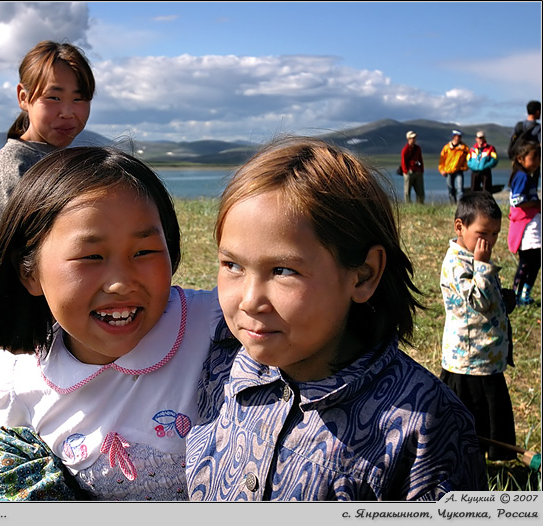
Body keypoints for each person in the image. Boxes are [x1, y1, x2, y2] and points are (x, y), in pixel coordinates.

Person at [185, 136, 488, 501]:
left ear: (363, 275)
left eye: (283, 270)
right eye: (232, 265)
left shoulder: (426, 426)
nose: (249, 301)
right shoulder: (219, 362)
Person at [0, 146, 223, 501]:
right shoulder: (19, 377)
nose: (121, 282)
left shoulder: (213, 325)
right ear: (29, 272)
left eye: (143, 252)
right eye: (91, 257)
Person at [0, 40, 96, 277]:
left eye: (79, 99)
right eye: (54, 98)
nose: (68, 112)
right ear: (23, 97)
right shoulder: (13, 164)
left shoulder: (72, 161)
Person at [439, 191, 516, 461]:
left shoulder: (474, 257)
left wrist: (504, 298)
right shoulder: (455, 263)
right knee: (470, 415)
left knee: (490, 410)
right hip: (468, 361)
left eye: (495, 234)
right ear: (460, 227)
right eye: (484, 233)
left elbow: (488, 299)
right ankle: (467, 458)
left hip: (487, 358)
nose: (490, 241)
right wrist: (483, 266)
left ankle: (487, 455)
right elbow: (478, 300)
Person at [507, 140, 542, 306]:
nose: (537, 161)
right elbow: (518, 201)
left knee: (533, 261)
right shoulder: (522, 177)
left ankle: (522, 295)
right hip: (526, 227)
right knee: (529, 261)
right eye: (534, 157)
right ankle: (518, 296)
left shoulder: (525, 176)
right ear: (521, 159)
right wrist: (537, 204)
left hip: (530, 225)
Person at [508, 100, 541, 189]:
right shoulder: (538, 128)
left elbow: (512, 139)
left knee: (518, 180)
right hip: (532, 159)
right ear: (537, 112)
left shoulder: (519, 126)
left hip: (518, 158)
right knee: (532, 184)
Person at [439, 129, 470, 204]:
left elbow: (468, 159)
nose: (459, 138)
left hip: (459, 171)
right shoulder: (446, 148)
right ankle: (452, 205)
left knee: (460, 190)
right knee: (451, 190)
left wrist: (464, 167)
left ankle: (460, 205)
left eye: (460, 136)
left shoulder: (464, 148)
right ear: (453, 137)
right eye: (458, 136)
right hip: (448, 171)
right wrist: (441, 170)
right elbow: (442, 160)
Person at [400, 130, 425, 203]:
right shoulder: (405, 150)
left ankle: (420, 204)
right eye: (412, 138)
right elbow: (403, 161)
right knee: (407, 191)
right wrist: (406, 171)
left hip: (417, 172)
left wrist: (421, 170)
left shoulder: (418, 148)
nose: (414, 139)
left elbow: (420, 159)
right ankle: (408, 205)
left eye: (414, 138)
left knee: (420, 191)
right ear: (408, 139)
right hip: (409, 172)